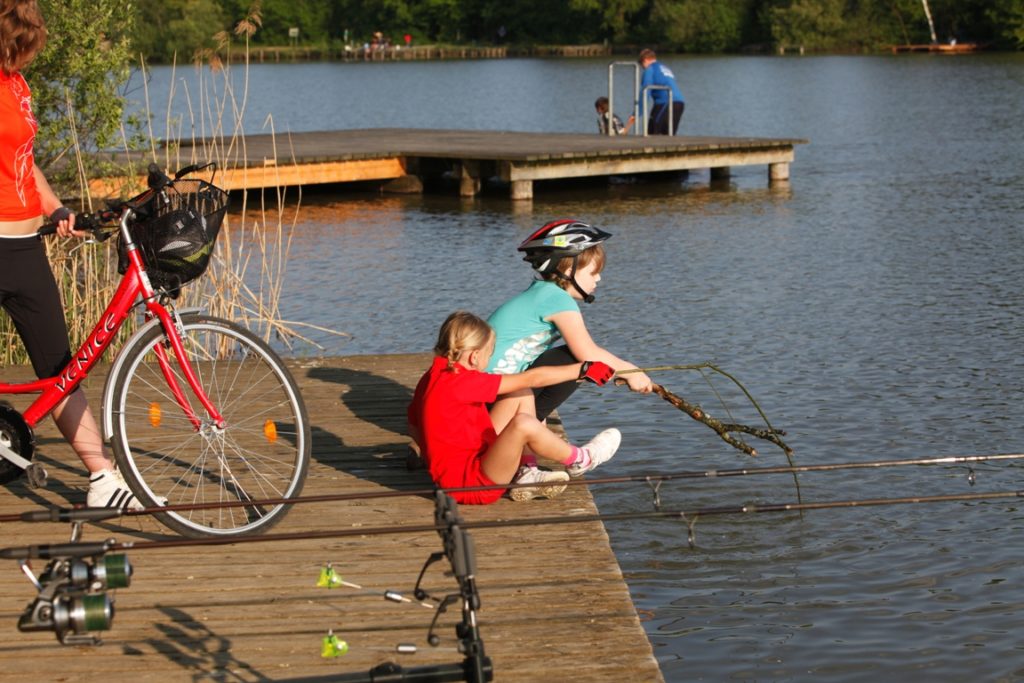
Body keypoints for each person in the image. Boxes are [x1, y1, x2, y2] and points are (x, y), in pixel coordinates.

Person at [1, 0, 143, 510]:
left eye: (31, 45)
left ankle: (102, 477)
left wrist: (56, 206)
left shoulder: (17, 87)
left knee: (61, 366)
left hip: (23, 247)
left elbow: (24, 163)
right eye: (21, 44)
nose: (27, 55)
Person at [407, 311, 622, 505]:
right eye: (489, 354)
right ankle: (581, 459)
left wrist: (433, 459)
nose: (488, 361)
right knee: (523, 424)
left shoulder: (433, 377)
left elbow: (414, 426)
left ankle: (526, 472)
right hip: (474, 486)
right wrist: (583, 370)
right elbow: (533, 377)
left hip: (465, 470)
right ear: (474, 356)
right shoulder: (463, 382)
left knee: (520, 393)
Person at [486, 220, 653, 425]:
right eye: (593, 272)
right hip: (490, 399)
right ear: (567, 270)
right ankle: (528, 425)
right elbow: (588, 353)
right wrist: (630, 371)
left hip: (492, 393)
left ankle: (533, 424)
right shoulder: (557, 299)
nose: (598, 279)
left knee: (566, 358)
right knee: (574, 360)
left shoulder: (541, 293)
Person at [638, 49, 685, 135]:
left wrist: (637, 112)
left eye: (642, 65)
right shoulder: (665, 68)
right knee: (668, 134)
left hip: (665, 103)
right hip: (679, 103)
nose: (643, 68)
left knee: (653, 132)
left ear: (644, 60)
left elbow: (645, 92)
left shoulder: (650, 69)